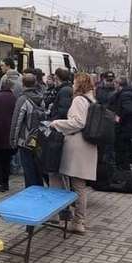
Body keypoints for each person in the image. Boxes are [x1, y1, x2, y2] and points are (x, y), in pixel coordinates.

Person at [49, 72, 98, 234]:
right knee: (80, 185)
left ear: (80, 84)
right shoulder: (92, 99)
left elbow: (78, 122)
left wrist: (57, 123)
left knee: (62, 178)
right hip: (88, 146)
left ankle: (68, 218)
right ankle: (79, 221)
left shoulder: (79, 100)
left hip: (76, 146)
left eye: (75, 82)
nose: (72, 85)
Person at [10, 74, 45, 188]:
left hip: (25, 140)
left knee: (28, 169)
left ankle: (30, 193)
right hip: (38, 138)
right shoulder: (41, 98)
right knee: (37, 168)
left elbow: (17, 121)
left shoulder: (23, 99)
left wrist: (13, 141)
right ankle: (39, 190)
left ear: (23, 84)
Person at [110, 77, 132, 170]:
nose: (114, 85)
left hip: (126, 129)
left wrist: (118, 118)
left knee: (123, 152)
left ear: (118, 84)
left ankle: (124, 172)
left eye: (115, 83)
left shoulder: (125, 95)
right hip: (129, 129)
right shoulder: (127, 93)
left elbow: (128, 110)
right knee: (125, 152)